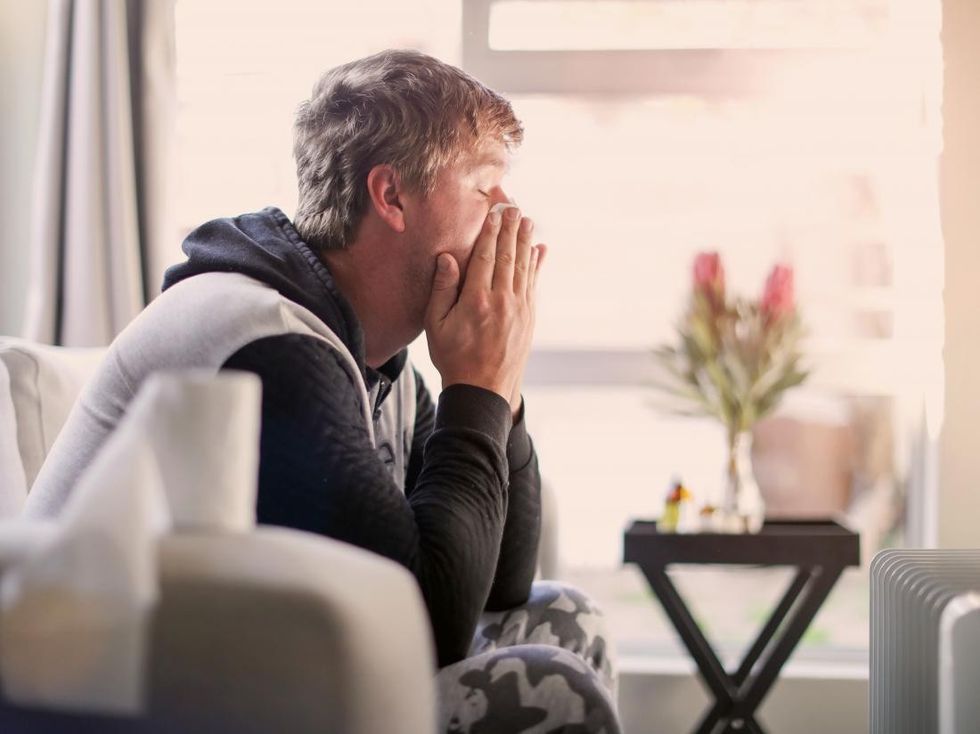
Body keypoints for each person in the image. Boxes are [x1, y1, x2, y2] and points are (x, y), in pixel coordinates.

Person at [26, 49, 620, 733]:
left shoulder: (375, 360)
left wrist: (499, 385)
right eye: (486, 188)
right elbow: (429, 631)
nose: (511, 214)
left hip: (272, 675)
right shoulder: (263, 342)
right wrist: (476, 383)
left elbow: (501, 589)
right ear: (391, 195)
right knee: (550, 687)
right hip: (139, 704)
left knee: (563, 617)